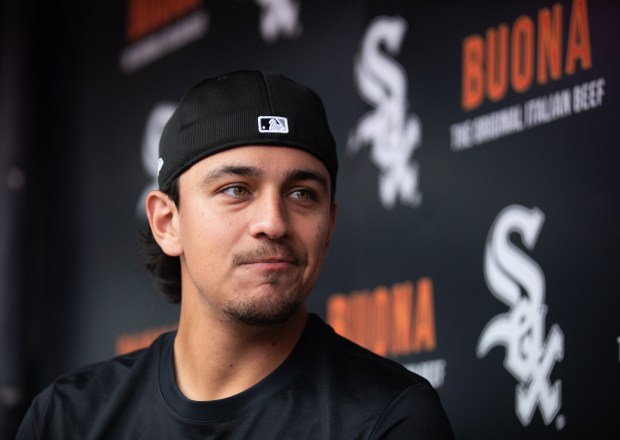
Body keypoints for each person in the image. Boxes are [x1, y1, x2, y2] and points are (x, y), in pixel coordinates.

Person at [16, 70, 454, 439]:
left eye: (302, 193)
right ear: (168, 223)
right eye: (235, 190)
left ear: (330, 224)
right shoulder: (66, 418)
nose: (274, 222)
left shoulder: (388, 420)